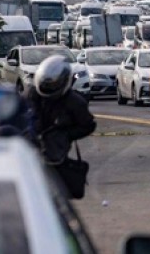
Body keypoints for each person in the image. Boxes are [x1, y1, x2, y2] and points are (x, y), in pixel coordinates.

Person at [24, 55, 96, 195]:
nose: (49, 88)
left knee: (55, 183)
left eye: (53, 84)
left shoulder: (74, 102)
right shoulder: (31, 95)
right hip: (30, 143)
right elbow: (14, 111)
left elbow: (88, 125)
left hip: (55, 149)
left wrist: (66, 133)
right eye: (46, 83)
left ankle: (56, 202)